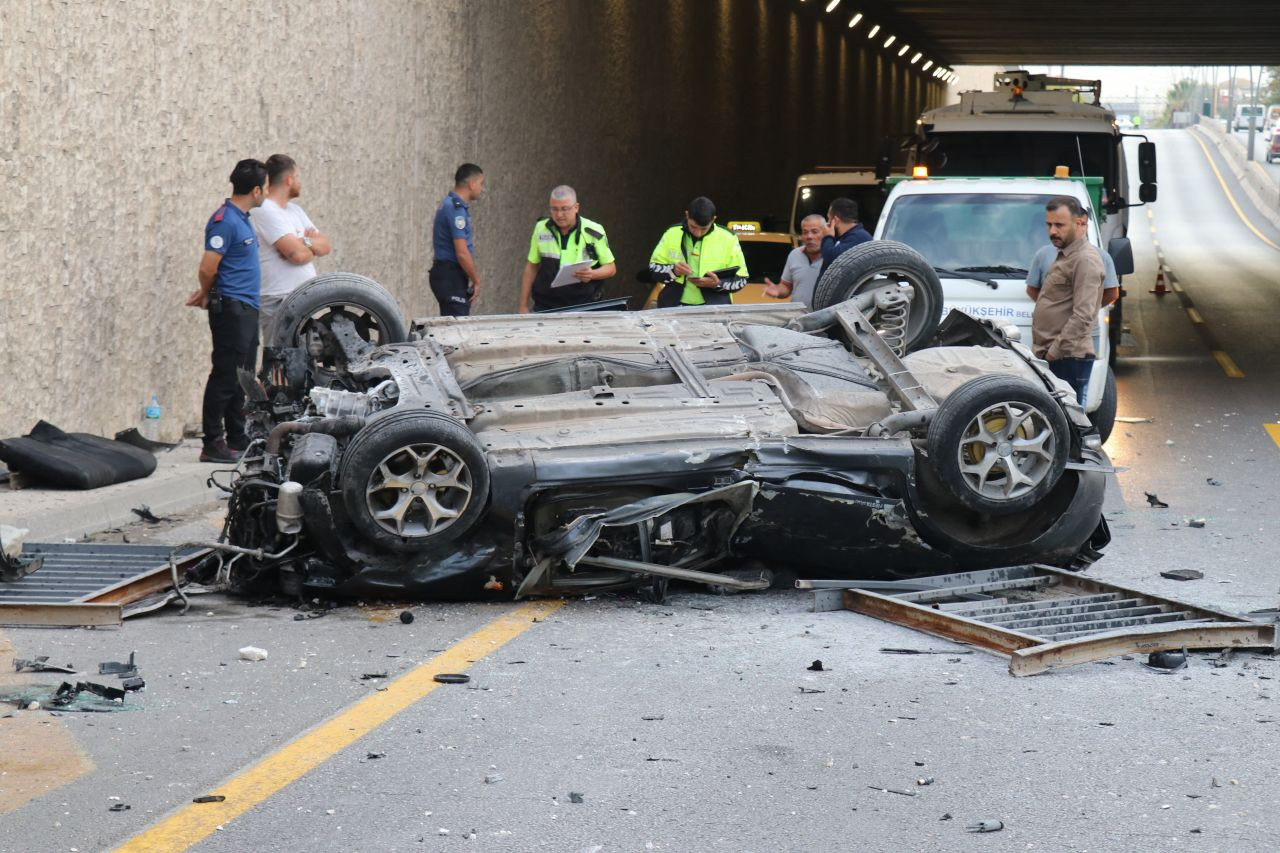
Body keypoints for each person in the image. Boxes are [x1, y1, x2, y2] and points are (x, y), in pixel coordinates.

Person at [186, 159, 268, 463]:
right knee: (225, 376)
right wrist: (207, 293)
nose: (266, 194)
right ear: (257, 189)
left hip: (247, 308)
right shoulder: (225, 220)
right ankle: (213, 442)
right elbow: (208, 266)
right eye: (266, 188)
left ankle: (236, 436)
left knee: (242, 376)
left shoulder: (242, 218)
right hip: (231, 307)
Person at [1030, 196, 1105, 404]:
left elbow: (1084, 315)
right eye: (1049, 224)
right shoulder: (1065, 254)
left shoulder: (1085, 259)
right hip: (1057, 358)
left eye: (1059, 225)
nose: (1052, 231)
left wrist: (1054, 352)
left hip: (1068, 359)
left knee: (1070, 426)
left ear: (1080, 223)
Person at [250, 154, 331, 337]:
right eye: (298, 177)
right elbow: (297, 255)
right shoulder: (265, 209)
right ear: (289, 179)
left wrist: (305, 243)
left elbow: (325, 245)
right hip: (279, 298)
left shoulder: (295, 211)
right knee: (280, 356)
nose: (299, 182)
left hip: (302, 297)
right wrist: (308, 248)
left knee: (304, 357)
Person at [519, 185, 616, 313]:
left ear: (576, 207)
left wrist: (592, 274)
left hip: (584, 304)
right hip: (546, 305)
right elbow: (531, 267)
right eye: (554, 209)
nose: (559, 215)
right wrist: (523, 305)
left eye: (565, 209)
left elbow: (611, 268)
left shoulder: (593, 230)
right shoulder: (541, 228)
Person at [647, 197, 747, 308]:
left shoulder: (728, 238)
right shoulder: (671, 233)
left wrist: (718, 284)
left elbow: (741, 279)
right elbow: (653, 269)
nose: (698, 233)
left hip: (714, 310)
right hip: (673, 307)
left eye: (703, 228)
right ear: (687, 215)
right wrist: (674, 271)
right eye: (693, 227)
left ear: (713, 219)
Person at [430, 163, 485, 317]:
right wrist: (476, 279)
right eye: (481, 184)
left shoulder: (451, 205)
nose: (482, 188)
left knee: (453, 326)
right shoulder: (455, 209)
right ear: (471, 184)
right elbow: (461, 252)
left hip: (450, 275)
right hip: (450, 275)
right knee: (457, 330)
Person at [1026, 241, 1119, 308]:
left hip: (1086, 330)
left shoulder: (1101, 256)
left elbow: (1112, 293)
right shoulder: (1044, 254)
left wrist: (1091, 310)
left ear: (1084, 225)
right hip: (1052, 330)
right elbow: (1031, 289)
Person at [764, 214, 825, 309]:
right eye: (805, 232)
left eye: (814, 231)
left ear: (825, 233)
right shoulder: (795, 255)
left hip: (827, 320)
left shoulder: (834, 256)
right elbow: (786, 286)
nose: (809, 236)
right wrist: (778, 291)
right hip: (798, 319)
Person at [817, 197, 872, 277]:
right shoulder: (846, 237)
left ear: (835, 220)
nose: (827, 223)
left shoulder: (858, 237)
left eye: (828, 218)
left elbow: (830, 258)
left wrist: (828, 236)